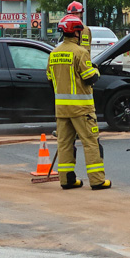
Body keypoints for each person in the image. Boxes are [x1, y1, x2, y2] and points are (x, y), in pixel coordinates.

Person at [47, 14, 111, 190]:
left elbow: (49, 79)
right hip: (82, 109)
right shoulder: (80, 53)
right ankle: (97, 180)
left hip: (61, 109)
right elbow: (89, 78)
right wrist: (96, 70)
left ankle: (67, 180)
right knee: (91, 143)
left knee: (65, 144)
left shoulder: (54, 53)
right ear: (76, 33)